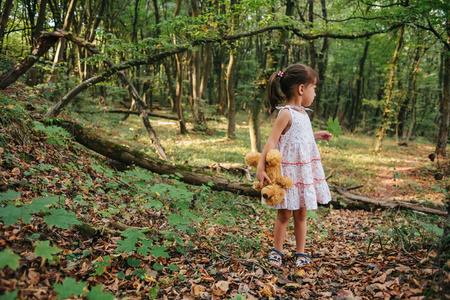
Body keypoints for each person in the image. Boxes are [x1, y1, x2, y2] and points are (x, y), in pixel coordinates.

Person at [256, 64, 332, 268]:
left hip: (303, 173)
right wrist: (261, 167)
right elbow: (272, 142)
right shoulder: (286, 113)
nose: (314, 93)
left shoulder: (304, 114)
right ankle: (277, 250)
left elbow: (301, 139)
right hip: (289, 172)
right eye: (313, 88)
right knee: (284, 213)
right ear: (301, 89)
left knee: (302, 213)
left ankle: (301, 252)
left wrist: (317, 135)